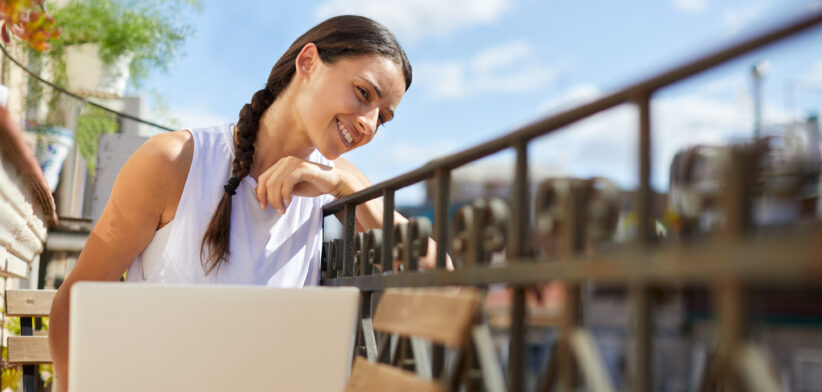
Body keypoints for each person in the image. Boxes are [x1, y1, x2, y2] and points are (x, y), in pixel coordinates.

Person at [49, 15, 442, 390]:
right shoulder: (174, 161)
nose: (369, 124)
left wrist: (341, 186)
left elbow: (441, 278)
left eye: (383, 118)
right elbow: (75, 302)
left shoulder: (339, 179)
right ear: (308, 62)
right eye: (362, 93)